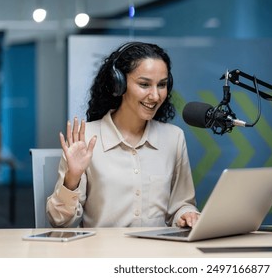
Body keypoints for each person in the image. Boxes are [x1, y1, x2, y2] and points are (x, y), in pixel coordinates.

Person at [46, 41, 200, 228]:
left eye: (162, 85)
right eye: (144, 84)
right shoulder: (84, 138)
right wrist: (73, 178)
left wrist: (187, 214)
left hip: (156, 254)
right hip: (103, 255)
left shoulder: (173, 138)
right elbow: (58, 221)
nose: (155, 96)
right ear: (118, 84)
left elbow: (181, 205)